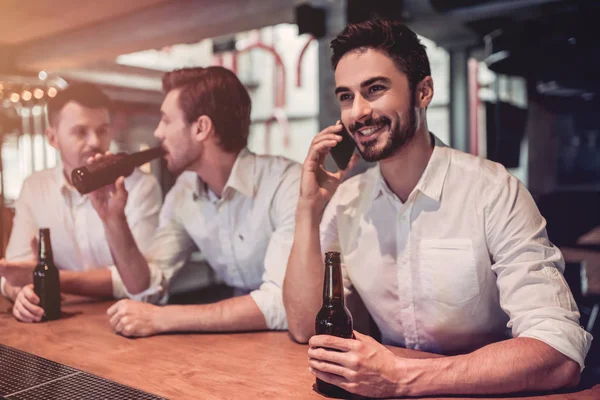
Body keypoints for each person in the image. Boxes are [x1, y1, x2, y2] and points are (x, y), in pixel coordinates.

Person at [282, 19, 592, 397]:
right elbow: (302, 328)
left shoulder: (492, 190)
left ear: (423, 91)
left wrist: (401, 377)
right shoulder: (347, 202)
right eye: (346, 96)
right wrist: (307, 207)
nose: (357, 113)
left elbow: (559, 353)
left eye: (375, 89)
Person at [88, 66, 300, 337]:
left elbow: (284, 303)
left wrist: (164, 318)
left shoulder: (287, 184)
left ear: (201, 128)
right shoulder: (184, 192)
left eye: (165, 120)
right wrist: (113, 219)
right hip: (249, 343)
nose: (157, 132)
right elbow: (147, 289)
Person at [0, 83, 162, 323]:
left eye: (102, 130)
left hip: (125, 321)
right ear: (53, 138)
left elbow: (144, 283)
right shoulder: (35, 187)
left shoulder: (140, 186)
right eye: (80, 132)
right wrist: (21, 293)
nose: (94, 142)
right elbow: (13, 272)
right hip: (61, 325)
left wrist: (50, 279)